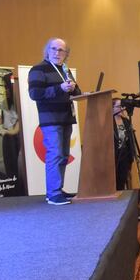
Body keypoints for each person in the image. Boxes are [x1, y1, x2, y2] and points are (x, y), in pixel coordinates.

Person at [28, 38, 82, 205]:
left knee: (64, 155)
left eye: (61, 51)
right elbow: (35, 94)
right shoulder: (38, 69)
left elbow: (76, 93)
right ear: (47, 50)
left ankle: (57, 188)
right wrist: (60, 88)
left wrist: (74, 89)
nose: (57, 53)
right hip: (51, 119)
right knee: (55, 154)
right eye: (54, 49)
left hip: (67, 118)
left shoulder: (65, 70)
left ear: (66, 54)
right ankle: (52, 194)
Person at [112, 98, 135, 190]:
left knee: (122, 179)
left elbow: (130, 140)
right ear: (112, 108)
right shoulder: (108, 122)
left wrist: (131, 155)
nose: (121, 108)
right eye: (118, 106)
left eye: (122, 106)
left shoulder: (126, 121)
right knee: (114, 180)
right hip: (114, 155)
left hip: (125, 154)